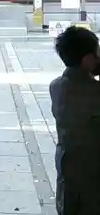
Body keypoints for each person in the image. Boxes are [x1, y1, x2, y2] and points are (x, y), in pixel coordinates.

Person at [50, 26, 100, 215]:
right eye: (97, 53)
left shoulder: (56, 86)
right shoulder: (94, 92)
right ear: (87, 59)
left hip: (66, 165)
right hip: (92, 171)